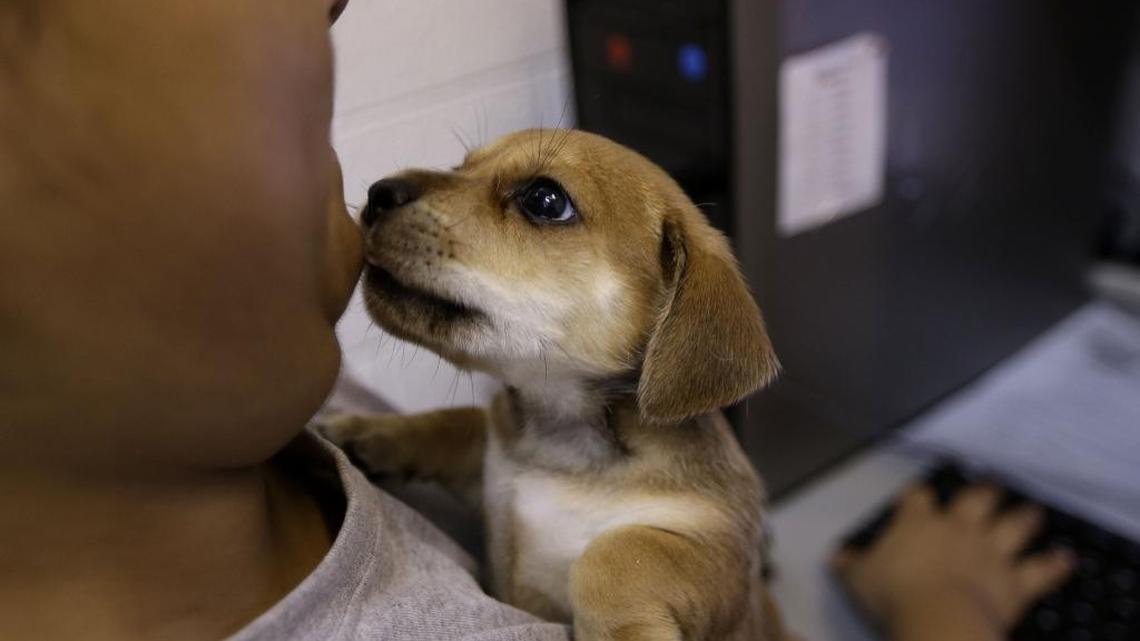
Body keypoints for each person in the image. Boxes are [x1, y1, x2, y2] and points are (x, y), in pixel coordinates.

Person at [0, 1, 1073, 640]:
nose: (390, 189)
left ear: (677, 321)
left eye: (538, 202)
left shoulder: (261, 395)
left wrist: (421, 443)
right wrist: (946, 612)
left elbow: (515, 459)